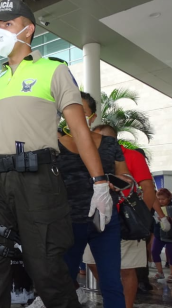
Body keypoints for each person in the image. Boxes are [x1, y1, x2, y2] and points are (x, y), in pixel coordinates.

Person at [0, 1, 113, 306]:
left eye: (7, 24)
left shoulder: (54, 70)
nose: (0, 31)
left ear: (28, 29)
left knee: (47, 269)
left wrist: (100, 183)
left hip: (38, 181)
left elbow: (80, 131)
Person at [55, 91, 128, 308]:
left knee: (112, 283)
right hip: (67, 222)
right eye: (68, 109)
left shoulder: (109, 144)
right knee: (62, 281)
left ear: (92, 116)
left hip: (104, 220)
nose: (73, 115)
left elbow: (126, 177)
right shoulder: (52, 143)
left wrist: (120, 182)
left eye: (80, 110)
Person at [86, 124, 166, 308]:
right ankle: (114, 297)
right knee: (91, 260)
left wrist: (139, 218)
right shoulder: (89, 155)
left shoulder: (131, 156)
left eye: (97, 138)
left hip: (125, 220)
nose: (93, 141)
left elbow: (148, 188)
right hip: (96, 219)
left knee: (127, 268)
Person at [152, 188, 172, 283]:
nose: (161, 201)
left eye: (163, 199)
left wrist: (170, 219)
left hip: (171, 233)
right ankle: (160, 272)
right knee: (154, 251)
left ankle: (171, 274)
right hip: (158, 232)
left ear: (169, 198)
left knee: (171, 253)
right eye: (159, 199)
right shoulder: (155, 206)